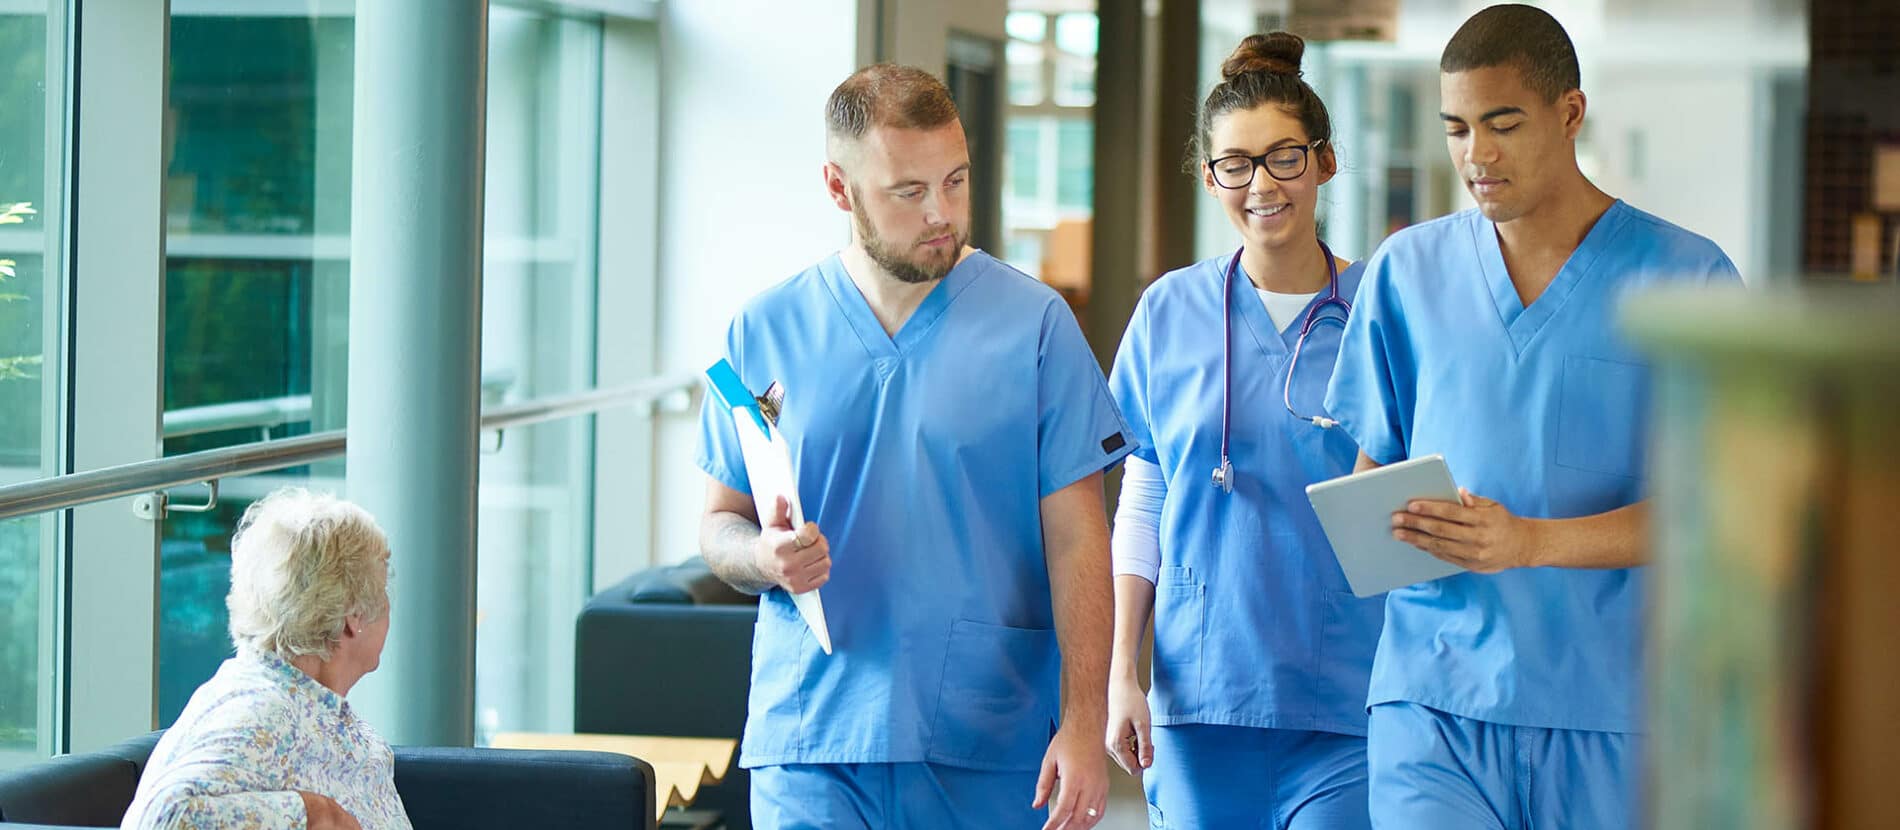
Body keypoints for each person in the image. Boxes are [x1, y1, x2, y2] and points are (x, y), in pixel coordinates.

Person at [1322, 5, 1743, 827]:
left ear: (1570, 113)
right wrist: (1381, 525)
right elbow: (1374, 471)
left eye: (1501, 124)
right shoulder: (1409, 270)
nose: (1475, 155)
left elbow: (1715, 513)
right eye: (1456, 128)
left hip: (1613, 712)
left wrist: (1528, 543)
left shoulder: (1686, 279)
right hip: (1431, 699)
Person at [695, 63, 1131, 830]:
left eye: (955, 182)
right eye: (910, 192)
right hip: (812, 734)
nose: (943, 213)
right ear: (839, 189)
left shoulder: (1035, 327)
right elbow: (719, 524)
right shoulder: (762, 330)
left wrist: (1082, 721)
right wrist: (763, 560)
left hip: (986, 736)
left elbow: (1078, 541)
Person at [1102, 32, 1383, 830]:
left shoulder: (1378, 315)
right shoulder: (1167, 313)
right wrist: (1126, 671)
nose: (1261, 184)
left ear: (1325, 162)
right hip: (1201, 698)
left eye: (1284, 157)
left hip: (1349, 702)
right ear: (1209, 175)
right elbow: (1143, 498)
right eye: (1236, 164)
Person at [122, 488, 407, 830]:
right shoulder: (262, 711)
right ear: (354, 616)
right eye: (382, 589)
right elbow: (163, 820)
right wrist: (314, 814)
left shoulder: (311, 706)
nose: (389, 605)